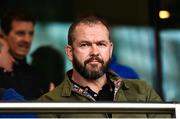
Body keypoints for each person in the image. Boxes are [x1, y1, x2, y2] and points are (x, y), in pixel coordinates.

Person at [38, 15, 171, 118]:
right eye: (85, 45)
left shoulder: (142, 91)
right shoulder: (51, 102)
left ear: (110, 49)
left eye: (101, 44)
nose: (95, 52)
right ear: (70, 52)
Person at [0, 10, 44, 100]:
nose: (27, 40)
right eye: (20, 33)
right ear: (4, 35)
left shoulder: (39, 75)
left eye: (31, 34)